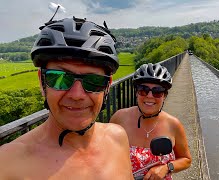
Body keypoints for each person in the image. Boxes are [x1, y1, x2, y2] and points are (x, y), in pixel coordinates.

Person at [0, 17, 133, 179]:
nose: (77, 95)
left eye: (94, 81)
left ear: (107, 87)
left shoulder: (118, 137)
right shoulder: (7, 163)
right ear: (42, 82)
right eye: (59, 78)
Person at [110, 63, 192, 179]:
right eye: (143, 90)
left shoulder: (173, 124)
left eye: (157, 91)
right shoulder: (119, 118)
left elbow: (186, 160)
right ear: (136, 92)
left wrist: (167, 167)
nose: (149, 96)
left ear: (164, 96)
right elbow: (105, 153)